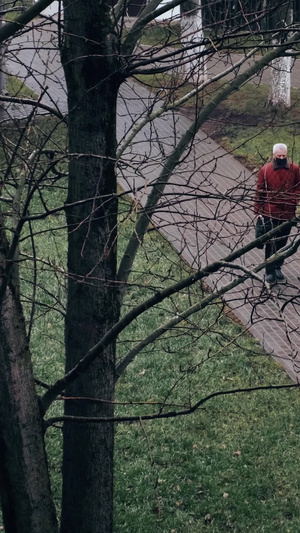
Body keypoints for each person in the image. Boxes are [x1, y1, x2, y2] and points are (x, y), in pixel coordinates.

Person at [254, 143, 300, 284]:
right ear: (274, 155)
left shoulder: (295, 169)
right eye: (278, 156)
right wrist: (258, 211)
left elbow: (299, 187)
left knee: (283, 241)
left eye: (283, 156)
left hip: (287, 212)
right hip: (270, 212)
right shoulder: (266, 170)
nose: (281, 158)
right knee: (271, 242)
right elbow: (260, 191)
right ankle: (269, 270)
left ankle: (278, 266)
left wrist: (292, 199)